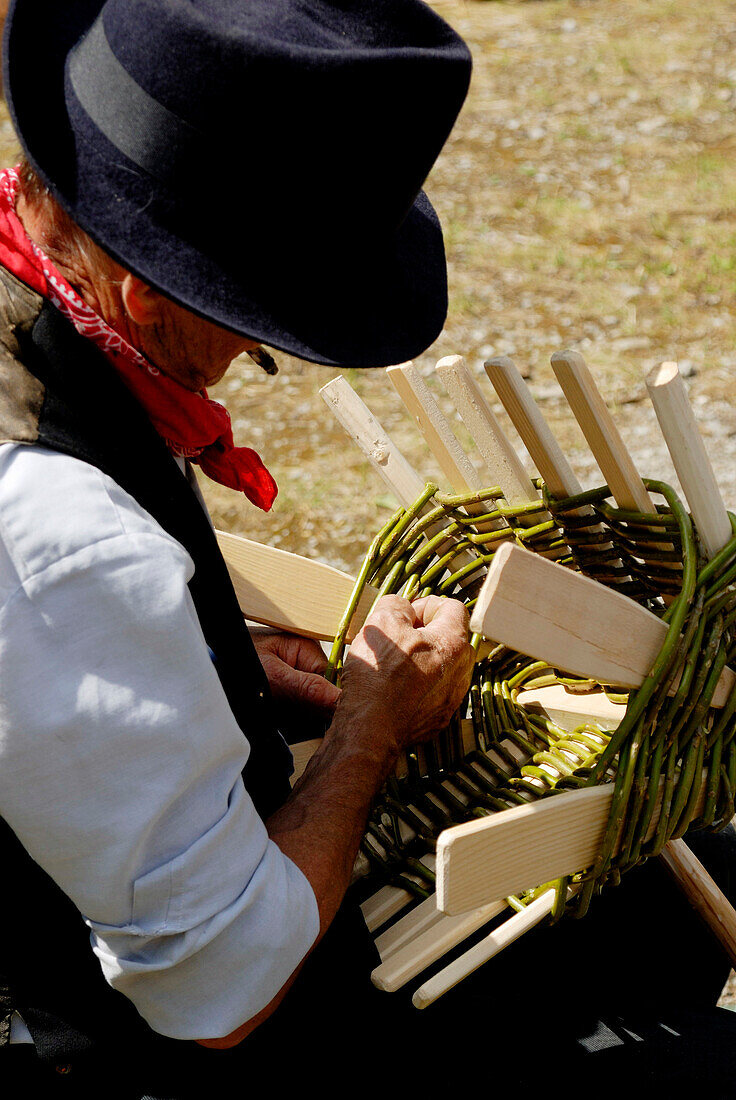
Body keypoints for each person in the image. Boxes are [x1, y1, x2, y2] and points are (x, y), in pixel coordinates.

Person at [1, 3, 736, 1098]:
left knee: (670, 899)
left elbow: (39, 679)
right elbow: (218, 994)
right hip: (164, 1047)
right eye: (249, 319)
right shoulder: (66, 535)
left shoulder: (38, 320)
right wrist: (369, 727)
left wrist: (205, 665)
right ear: (145, 295)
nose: (256, 350)